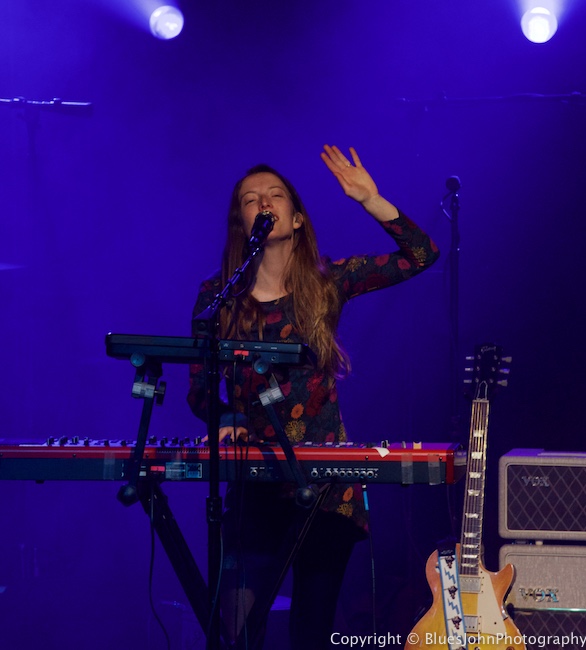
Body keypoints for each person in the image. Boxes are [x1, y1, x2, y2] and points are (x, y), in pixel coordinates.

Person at [187, 144, 440, 650]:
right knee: (235, 631)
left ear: (297, 218)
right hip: (255, 485)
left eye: (275, 195)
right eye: (250, 200)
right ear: (241, 222)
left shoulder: (328, 282)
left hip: (326, 489)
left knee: (311, 633)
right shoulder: (218, 298)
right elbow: (199, 389)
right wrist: (226, 415)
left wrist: (370, 200)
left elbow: (422, 255)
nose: (263, 203)